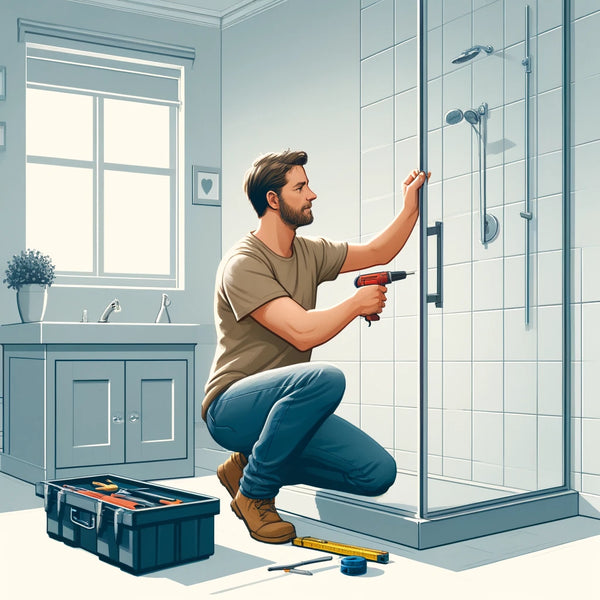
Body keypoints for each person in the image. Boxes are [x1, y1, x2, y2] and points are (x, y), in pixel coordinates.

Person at [202, 150, 428, 544]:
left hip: (284, 407)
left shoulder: (308, 252)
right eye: (301, 187)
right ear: (273, 200)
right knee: (324, 379)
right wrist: (356, 304)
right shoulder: (243, 264)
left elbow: (378, 252)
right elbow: (302, 332)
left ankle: (245, 467)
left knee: (376, 473)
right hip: (232, 407)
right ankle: (255, 495)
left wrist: (410, 206)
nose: (312, 195)